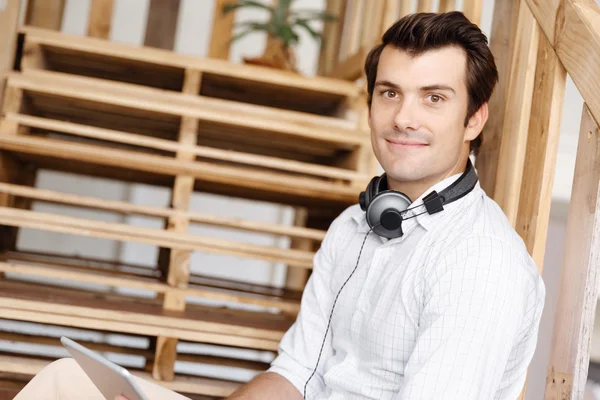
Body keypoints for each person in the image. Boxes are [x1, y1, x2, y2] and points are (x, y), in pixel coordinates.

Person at [13, 11, 545, 400]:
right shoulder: (353, 227)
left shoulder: (479, 263)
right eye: (389, 93)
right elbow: (295, 375)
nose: (404, 117)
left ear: (474, 119)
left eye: (434, 97)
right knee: (69, 383)